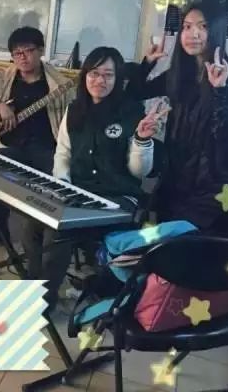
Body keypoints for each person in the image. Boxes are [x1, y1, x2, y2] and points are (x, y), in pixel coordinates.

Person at [22, 46, 158, 310]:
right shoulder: (74, 110)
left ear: (118, 79)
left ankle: (43, 302)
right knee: (33, 224)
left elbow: (138, 172)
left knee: (57, 232)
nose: (100, 80)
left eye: (108, 74)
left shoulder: (131, 112)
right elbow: (63, 153)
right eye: (94, 73)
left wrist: (143, 140)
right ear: (85, 76)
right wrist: (62, 189)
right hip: (79, 192)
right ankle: (34, 285)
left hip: (119, 197)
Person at [126, 0, 228, 238]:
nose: (192, 34)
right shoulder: (180, 73)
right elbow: (134, 93)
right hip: (178, 179)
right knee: (160, 248)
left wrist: (219, 91)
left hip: (215, 187)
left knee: (186, 248)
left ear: (216, 30)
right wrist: (148, 63)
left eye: (202, 26)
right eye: (186, 27)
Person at [0, 26, 72, 247]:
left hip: (47, 148)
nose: (23, 57)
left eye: (29, 51)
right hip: (12, 145)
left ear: (41, 50)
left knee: (57, 184)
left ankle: (45, 240)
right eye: (17, 53)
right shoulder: (6, 79)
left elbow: (72, 123)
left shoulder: (60, 84)